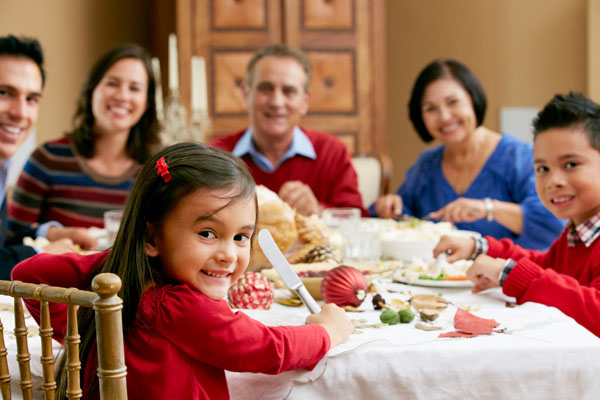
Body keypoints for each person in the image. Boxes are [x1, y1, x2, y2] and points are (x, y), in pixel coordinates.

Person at [12, 142, 353, 399]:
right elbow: (268, 348)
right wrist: (327, 332)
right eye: (207, 233)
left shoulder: (131, 282)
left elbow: (29, 273)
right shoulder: (178, 307)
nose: (228, 254)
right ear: (151, 237)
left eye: (240, 237)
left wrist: (87, 324)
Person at [434, 93, 600, 337]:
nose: (554, 181)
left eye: (571, 164)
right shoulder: (577, 232)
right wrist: (478, 248)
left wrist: (506, 273)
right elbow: (544, 266)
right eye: (543, 168)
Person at [372, 59, 564, 250]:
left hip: (506, 276)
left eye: (453, 102)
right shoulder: (426, 165)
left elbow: (553, 223)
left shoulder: (519, 158)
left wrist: (488, 209)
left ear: (473, 99)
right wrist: (390, 206)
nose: (445, 117)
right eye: (431, 109)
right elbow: (405, 218)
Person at [8, 43, 161, 250]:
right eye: (112, 83)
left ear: (147, 102)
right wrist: (53, 233)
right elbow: (10, 237)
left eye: (134, 88)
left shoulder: (155, 173)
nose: (123, 96)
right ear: (91, 90)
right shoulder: (48, 159)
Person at [210, 44, 366, 216]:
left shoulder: (333, 152)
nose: (276, 102)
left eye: (289, 91)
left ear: (305, 101)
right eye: (266, 89)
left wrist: (319, 210)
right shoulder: (217, 154)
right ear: (247, 94)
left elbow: (358, 220)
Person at [0, 34, 75, 279]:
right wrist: (37, 253)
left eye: (31, 99)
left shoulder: (4, 165)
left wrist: (48, 234)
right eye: (4, 93)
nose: (20, 112)